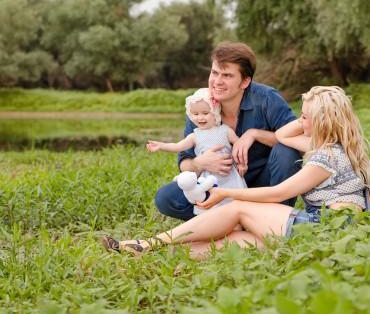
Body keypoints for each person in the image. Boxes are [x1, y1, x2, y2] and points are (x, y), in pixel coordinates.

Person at [102, 86, 369, 258]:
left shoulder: (327, 155)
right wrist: (305, 116)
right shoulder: (335, 148)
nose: (300, 121)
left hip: (321, 228)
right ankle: (149, 253)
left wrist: (224, 193)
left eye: (306, 117)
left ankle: (149, 243)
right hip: (332, 234)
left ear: (322, 121)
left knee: (237, 207)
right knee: (241, 240)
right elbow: (282, 134)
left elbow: (281, 192)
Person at [155, 41, 301, 221]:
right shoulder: (200, 105)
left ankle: (275, 219)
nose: (217, 81)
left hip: (263, 184)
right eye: (214, 72)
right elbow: (185, 163)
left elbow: (298, 139)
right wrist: (201, 163)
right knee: (166, 198)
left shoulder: (267, 99)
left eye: (227, 75)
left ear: (245, 81)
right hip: (218, 186)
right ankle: (230, 219)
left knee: (287, 150)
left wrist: (253, 134)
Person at [147, 87, 247, 213]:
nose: (200, 118)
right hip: (208, 177)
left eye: (205, 113)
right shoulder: (194, 136)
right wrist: (161, 145)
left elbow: (240, 147)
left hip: (229, 175)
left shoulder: (225, 130)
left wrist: (242, 163)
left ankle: (237, 222)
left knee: (233, 200)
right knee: (211, 204)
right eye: (195, 114)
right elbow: (178, 146)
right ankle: (216, 224)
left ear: (215, 112)